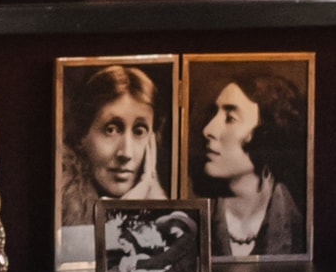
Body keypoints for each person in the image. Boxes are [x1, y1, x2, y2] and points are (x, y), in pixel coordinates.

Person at [193, 69, 305, 261]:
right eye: (214, 114)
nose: (208, 130)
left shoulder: (300, 228)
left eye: (230, 118)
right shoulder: (192, 220)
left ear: (268, 135)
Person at [62, 56, 169, 224]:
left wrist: (148, 186)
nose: (125, 153)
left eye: (139, 131)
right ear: (81, 136)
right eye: (111, 130)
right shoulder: (63, 206)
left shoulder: (166, 214)